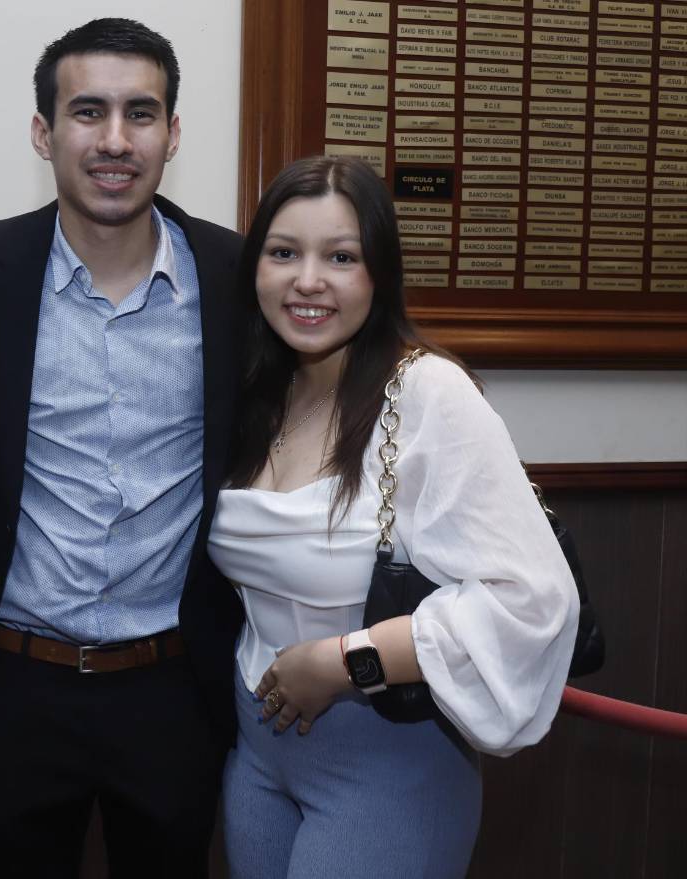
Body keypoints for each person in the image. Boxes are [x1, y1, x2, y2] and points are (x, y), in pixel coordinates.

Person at [0, 17, 243, 879]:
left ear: (174, 133)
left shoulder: (234, 275)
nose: (114, 140)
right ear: (44, 131)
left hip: (174, 686)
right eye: (88, 111)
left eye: (141, 113)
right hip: (11, 684)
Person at [206, 155, 579, 878]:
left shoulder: (430, 394)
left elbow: (533, 598)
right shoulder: (254, 388)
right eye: (284, 253)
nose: (308, 280)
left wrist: (347, 661)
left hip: (384, 756)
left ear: (379, 274)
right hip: (255, 751)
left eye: (340, 257)